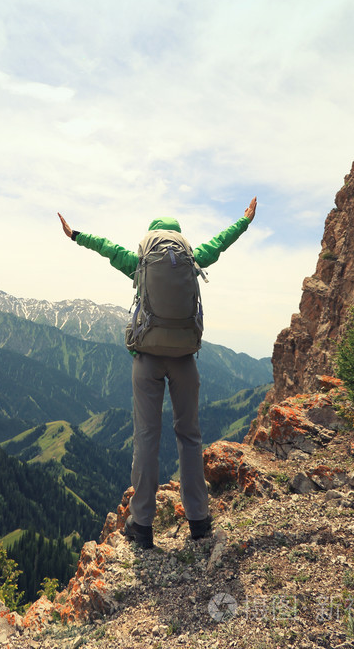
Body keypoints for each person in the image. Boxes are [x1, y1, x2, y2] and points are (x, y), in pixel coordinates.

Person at [58, 198, 257, 548]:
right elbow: (221, 241)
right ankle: (199, 521)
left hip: (147, 358)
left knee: (147, 438)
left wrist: (76, 235)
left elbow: (106, 247)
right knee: (190, 437)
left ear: (150, 239)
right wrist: (244, 221)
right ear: (179, 239)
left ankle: (142, 524)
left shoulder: (140, 262)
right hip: (185, 358)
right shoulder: (193, 258)